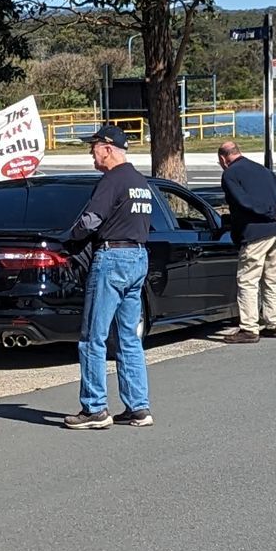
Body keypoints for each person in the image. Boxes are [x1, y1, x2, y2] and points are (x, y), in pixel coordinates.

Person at [65, 123, 156, 429]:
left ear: (107, 148)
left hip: (112, 258)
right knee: (128, 337)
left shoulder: (112, 180)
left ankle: (94, 409)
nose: (91, 154)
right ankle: (138, 407)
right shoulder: (140, 181)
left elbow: (91, 220)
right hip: (138, 257)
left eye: (93, 148)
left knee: (93, 337)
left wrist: (71, 237)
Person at [216, 133, 276, 338]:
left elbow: (244, 203)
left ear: (223, 159)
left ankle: (249, 328)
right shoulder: (264, 170)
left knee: (248, 280)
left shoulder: (230, 174)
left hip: (256, 234)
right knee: (272, 279)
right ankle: (273, 322)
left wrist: (272, 212)